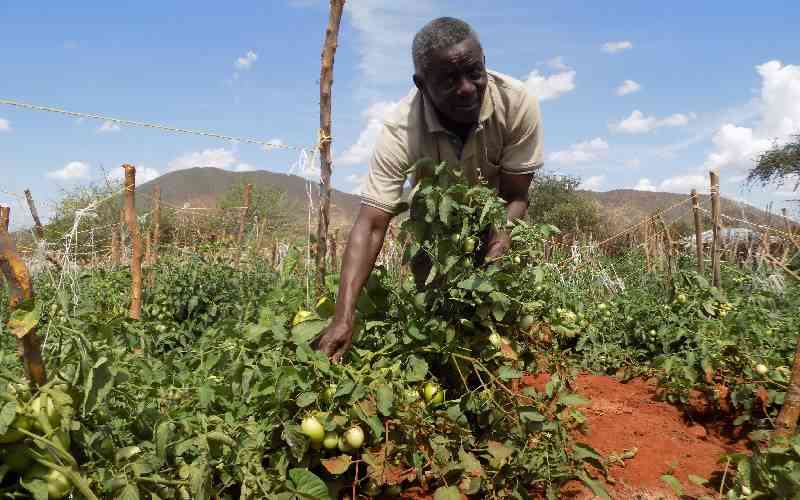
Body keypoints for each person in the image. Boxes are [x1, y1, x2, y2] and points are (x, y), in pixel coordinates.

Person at [314, 17, 543, 361]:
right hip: (435, 229)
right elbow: (372, 223)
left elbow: (515, 196)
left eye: (473, 73)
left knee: (496, 311)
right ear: (422, 84)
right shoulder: (401, 128)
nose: (466, 88)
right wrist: (343, 317)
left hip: (497, 212)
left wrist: (500, 241)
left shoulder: (517, 103)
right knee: (439, 317)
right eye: (449, 80)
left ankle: (500, 359)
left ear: (484, 63)